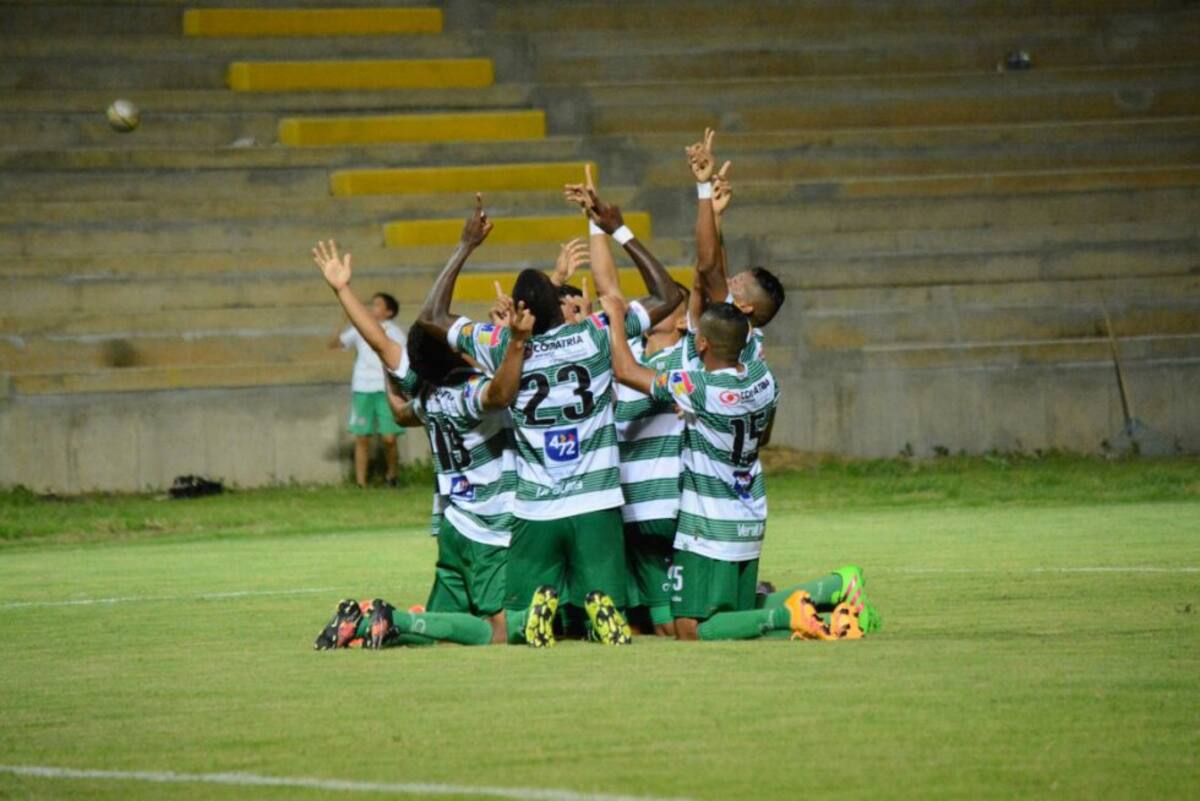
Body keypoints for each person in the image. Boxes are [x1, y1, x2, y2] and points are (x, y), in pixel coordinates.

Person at [416, 194, 684, 647]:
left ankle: (540, 610)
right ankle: (604, 613)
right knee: (606, 599)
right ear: (557, 305)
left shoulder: (501, 343)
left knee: (516, 618)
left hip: (535, 505)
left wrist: (465, 246)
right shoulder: (595, 332)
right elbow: (668, 295)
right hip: (597, 498)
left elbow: (432, 317)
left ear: (523, 311)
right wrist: (620, 230)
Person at [311, 235, 543, 650]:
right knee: (496, 631)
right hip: (486, 524)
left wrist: (342, 290)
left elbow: (385, 350)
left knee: (444, 631)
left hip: (452, 521)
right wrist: (519, 343)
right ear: (455, 352)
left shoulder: (429, 396)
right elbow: (501, 394)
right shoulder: (471, 395)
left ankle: (364, 624)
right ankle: (393, 617)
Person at [602, 295, 863, 641]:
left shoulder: (701, 388)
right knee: (738, 618)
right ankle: (832, 596)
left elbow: (625, 371)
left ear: (704, 342)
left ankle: (791, 615)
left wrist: (615, 320)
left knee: (688, 628)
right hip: (749, 514)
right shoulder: (762, 378)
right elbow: (765, 436)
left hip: (707, 524)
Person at [329, 290, 406, 487]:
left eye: (377, 305)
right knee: (362, 437)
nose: (372, 308)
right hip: (363, 387)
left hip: (385, 388)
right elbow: (334, 344)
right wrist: (342, 321)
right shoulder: (359, 328)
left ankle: (392, 476)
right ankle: (361, 483)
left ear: (389, 312)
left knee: (389, 438)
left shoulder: (396, 333)